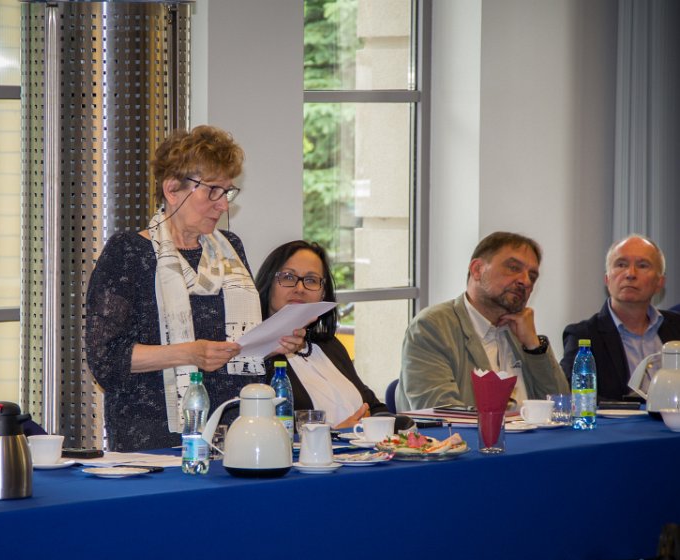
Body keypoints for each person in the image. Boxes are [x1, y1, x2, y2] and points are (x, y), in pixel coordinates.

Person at [85, 125, 304, 452]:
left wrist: (271, 344)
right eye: (213, 191)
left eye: (227, 192)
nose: (223, 205)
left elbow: (238, 350)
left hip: (237, 431)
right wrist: (188, 354)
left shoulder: (230, 249)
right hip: (156, 441)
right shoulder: (129, 253)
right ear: (173, 189)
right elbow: (106, 360)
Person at [397, 231, 569, 411]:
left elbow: (562, 408)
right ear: (477, 270)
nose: (525, 281)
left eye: (532, 276)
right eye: (513, 268)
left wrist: (534, 347)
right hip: (470, 431)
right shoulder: (432, 327)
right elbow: (441, 412)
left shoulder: (520, 332)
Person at [255, 240, 409, 430]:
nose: (300, 288)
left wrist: (381, 422)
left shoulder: (328, 345)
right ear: (268, 284)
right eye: (288, 277)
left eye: (311, 280)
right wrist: (334, 434)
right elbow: (265, 432)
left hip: (363, 449)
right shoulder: (257, 355)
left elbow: (372, 406)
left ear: (323, 293)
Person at [561, 234, 680, 401]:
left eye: (642, 265)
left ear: (660, 282)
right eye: (621, 264)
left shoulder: (676, 327)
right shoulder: (583, 335)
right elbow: (575, 395)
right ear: (607, 278)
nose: (630, 274)